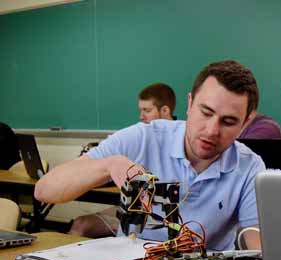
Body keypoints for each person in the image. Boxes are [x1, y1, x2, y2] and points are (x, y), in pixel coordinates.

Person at [36, 61, 263, 250]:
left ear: (246, 122)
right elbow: (44, 190)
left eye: (229, 121)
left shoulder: (249, 166)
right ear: (190, 103)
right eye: (206, 112)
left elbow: (255, 237)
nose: (212, 130)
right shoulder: (143, 138)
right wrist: (110, 165)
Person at [68, 83, 178, 238]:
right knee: (80, 224)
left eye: (147, 110)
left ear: (165, 110)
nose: (141, 116)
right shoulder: (135, 138)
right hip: (128, 210)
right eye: (140, 110)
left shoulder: (182, 142)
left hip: (157, 219)